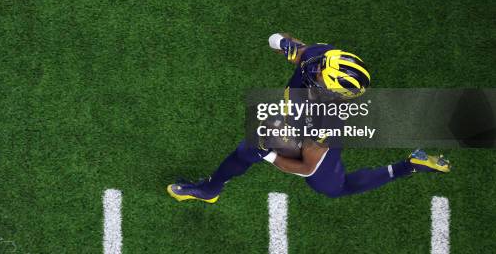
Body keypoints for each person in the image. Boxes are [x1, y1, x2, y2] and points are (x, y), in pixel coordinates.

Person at [167, 33, 451, 203]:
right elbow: (281, 41)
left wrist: (268, 155)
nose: (313, 68)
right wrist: (281, 42)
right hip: (291, 120)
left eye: (320, 76)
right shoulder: (320, 58)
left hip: (308, 136)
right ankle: (209, 189)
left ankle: (407, 166)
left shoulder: (330, 121)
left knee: (334, 188)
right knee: (247, 149)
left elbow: (306, 167)